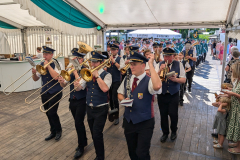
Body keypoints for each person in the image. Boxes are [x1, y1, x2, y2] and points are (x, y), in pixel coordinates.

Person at [117, 51, 162, 160]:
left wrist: (151, 64)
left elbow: (157, 86)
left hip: (144, 123)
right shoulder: (128, 79)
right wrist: (124, 100)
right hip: (129, 122)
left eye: (134, 64)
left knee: (142, 153)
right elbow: (119, 93)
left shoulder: (149, 80)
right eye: (131, 64)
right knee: (132, 152)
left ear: (143, 65)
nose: (131, 66)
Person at [75, 51, 111, 160]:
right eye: (92, 61)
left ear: (101, 62)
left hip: (101, 108)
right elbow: (79, 88)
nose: (93, 64)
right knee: (93, 133)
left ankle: (100, 157)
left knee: (97, 134)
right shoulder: (88, 73)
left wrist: (98, 76)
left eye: (95, 62)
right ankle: (98, 154)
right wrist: (76, 85)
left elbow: (105, 89)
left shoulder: (107, 75)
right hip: (89, 108)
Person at [58, 48, 87, 159]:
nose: (75, 60)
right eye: (74, 58)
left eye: (78, 59)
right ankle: (83, 141)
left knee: (78, 123)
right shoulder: (70, 68)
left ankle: (81, 146)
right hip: (72, 99)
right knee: (77, 123)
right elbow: (64, 85)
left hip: (82, 100)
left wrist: (75, 72)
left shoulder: (85, 70)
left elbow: (80, 86)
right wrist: (61, 82)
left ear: (82, 59)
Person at [31, 46, 63, 141]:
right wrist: (33, 73)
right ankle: (52, 131)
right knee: (48, 113)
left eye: (47, 54)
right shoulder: (41, 64)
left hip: (55, 92)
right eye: (44, 54)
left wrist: (48, 66)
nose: (44, 56)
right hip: (45, 92)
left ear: (51, 55)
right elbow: (36, 79)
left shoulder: (57, 63)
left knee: (52, 112)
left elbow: (56, 77)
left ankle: (58, 130)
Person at [155, 48, 186, 143]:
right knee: (163, 114)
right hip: (162, 94)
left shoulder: (179, 64)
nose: (166, 58)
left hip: (173, 94)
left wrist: (176, 80)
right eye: (165, 56)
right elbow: (154, 78)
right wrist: (159, 71)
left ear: (173, 56)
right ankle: (165, 133)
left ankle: (173, 131)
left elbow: (184, 80)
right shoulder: (159, 64)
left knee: (173, 114)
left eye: (169, 56)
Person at [221, 62, 240, 154]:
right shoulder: (237, 80)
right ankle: (237, 143)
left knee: (239, 127)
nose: (231, 72)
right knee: (236, 126)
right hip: (235, 107)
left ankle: (239, 148)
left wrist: (233, 93)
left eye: (233, 71)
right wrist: (230, 91)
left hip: (239, 109)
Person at [107, 44, 125, 125]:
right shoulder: (109, 58)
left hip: (116, 80)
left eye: (114, 50)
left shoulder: (120, 59)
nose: (112, 51)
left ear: (117, 50)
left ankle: (117, 116)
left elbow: (121, 68)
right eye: (111, 50)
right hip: (109, 81)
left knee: (115, 98)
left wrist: (114, 62)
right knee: (110, 98)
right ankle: (112, 114)